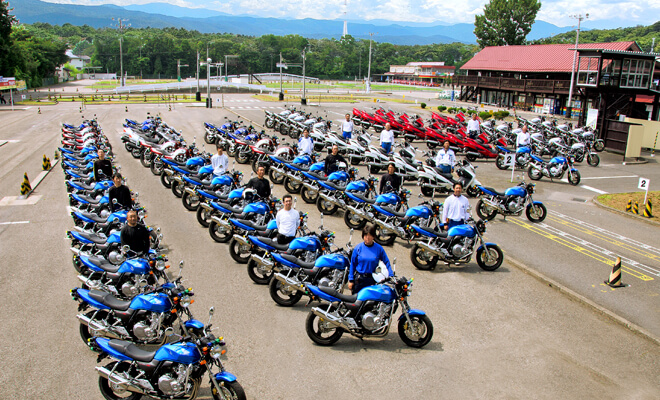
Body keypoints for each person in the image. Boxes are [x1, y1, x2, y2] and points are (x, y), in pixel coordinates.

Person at [348, 224, 393, 294]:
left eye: (369, 235)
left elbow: (386, 262)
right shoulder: (358, 248)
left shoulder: (379, 249)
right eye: (365, 236)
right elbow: (352, 264)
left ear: (373, 236)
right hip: (359, 279)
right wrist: (351, 280)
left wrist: (391, 275)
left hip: (372, 279)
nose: (367, 238)